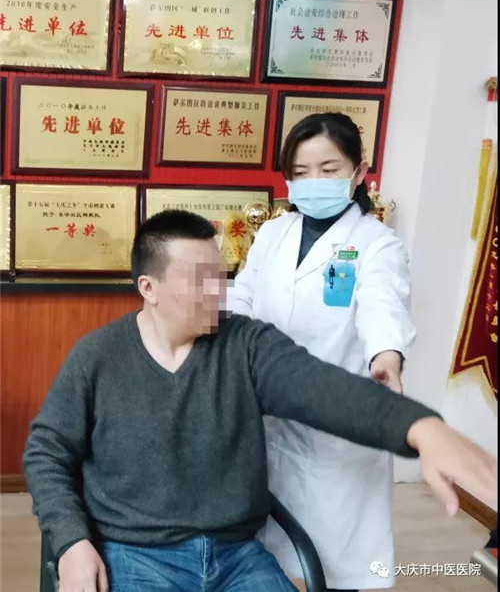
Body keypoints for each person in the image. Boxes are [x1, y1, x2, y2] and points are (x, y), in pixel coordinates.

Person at [24, 210, 497, 592]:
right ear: (149, 288)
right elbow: (46, 453)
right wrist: (71, 541)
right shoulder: (98, 357)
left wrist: (421, 428)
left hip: (236, 556)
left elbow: (324, 389)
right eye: (199, 281)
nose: (218, 292)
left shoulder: (246, 346)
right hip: (136, 554)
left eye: (221, 276)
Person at [231, 112, 415, 591]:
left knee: (336, 559)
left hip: (335, 419)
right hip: (268, 409)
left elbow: (382, 306)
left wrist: (386, 357)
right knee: (265, 552)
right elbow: (244, 294)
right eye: (301, 171)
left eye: (328, 169)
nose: (313, 181)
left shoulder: (376, 244)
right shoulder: (273, 234)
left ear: (359, 171)